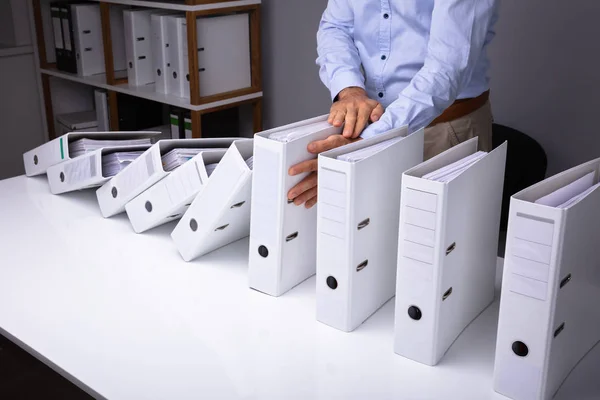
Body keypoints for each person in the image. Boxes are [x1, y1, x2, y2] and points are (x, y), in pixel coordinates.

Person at [287, 0, 499, 208]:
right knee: (363, 238)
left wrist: (366, 143)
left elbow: (448, 66)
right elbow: (336, 26)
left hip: (444, 131)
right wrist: (350, 91)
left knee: (440, 238)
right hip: (368, 124)